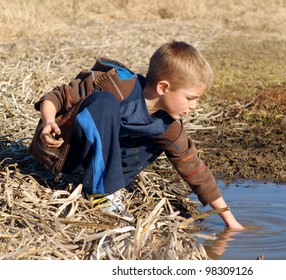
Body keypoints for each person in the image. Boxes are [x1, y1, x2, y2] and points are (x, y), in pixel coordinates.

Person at [29, 40, 245, 229]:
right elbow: (56, 97)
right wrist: (48, 122)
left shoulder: (168, 124)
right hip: (68, 153)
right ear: (163, 87)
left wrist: (231, 222)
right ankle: (102, 193)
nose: (194, 106)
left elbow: (194, 168)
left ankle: (105, 186)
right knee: (104, 104)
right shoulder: (115, 84)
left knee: (161, 138)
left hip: (100, 167)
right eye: (190, 98)